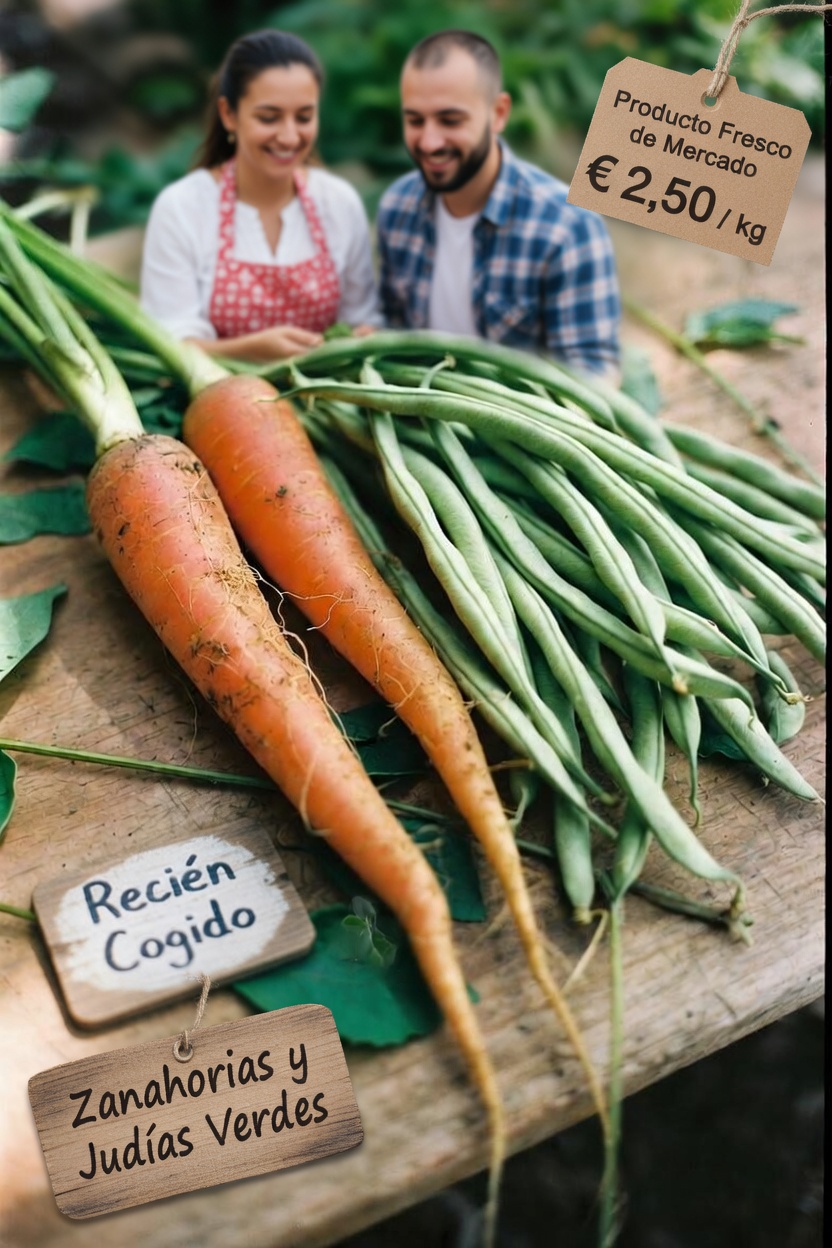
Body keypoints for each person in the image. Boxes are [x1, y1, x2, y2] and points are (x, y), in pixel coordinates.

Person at [376, 30, 621, 378]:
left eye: (450, 120)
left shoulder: (567, 227)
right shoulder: (397, 208)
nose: (429, 141)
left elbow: (593, 378)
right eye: (415, 120)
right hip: (418, 421)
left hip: (527, 428)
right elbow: (394, 334)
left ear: (499, 113)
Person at [140, 29, 380, 363]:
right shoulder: (182, 208)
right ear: (229, 115)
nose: (289, 136)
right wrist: (250, 351)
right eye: (269, 117)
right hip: (219, 402)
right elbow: (167, 342)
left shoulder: (338, 202)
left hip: (328, 399)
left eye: (304, 117)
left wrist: (364, 337)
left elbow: (364, 318)